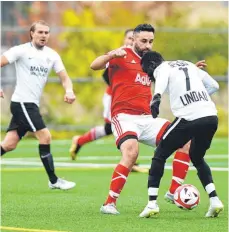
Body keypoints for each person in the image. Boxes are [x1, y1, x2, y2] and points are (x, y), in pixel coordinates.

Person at [90, 24, 206, 215]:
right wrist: (110, 55)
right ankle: (109, 203)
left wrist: (191, 68)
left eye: (150, 41)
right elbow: (94, 65)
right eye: (143, 41)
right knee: (131, 153)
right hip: (124, 117)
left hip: (147, 118)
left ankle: (172, 192)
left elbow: (171, 71)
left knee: (185, 141)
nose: (147, 45)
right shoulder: (122, 55)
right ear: (133, 39)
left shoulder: (153, 62)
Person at [139, 51, 224, 218]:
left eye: (148, 73)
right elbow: (214, 85)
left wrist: (156, 97)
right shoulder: (189, 64)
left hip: (189, 117)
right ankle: (215, 200)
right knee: (197, 157)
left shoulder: (161, 68)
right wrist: (198, 98)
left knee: (160, 155)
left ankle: (151, 204)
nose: (150, 77)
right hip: (211, 116)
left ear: (150, 66)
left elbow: (161, 75)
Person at [0, 20, 76, 190]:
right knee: (45, 136)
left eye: (46, 32)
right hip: (22, 103)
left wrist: (69, 90)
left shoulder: (52, 55)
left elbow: (64, 77)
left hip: (31, 104)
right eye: (40, 32)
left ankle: (54, 181)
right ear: (32, 33)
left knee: (9, 144)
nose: (43, 35)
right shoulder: (21, 50)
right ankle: (54, 181)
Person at [69, 29, 147, 173]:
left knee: (119, 127)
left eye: (133, 38)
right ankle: (131, 160)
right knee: (114, 127)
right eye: (129, 38)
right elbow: (105, 75)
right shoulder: (119, 54)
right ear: (124, 40)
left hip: (128, 100)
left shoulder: (141, 57)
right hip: (114, 97)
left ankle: (80, 141)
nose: (131, 41)